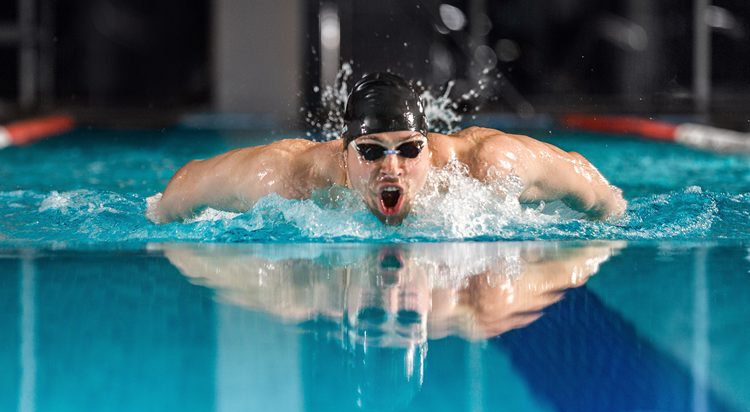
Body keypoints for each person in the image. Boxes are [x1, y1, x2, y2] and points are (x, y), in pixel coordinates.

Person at [149, 72, 626, 225]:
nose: (391, 168)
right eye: (371, 152)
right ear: (343, 153)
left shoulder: (487, 167)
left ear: (430, 147)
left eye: (408, 150)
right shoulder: (289, 176)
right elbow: (183, 187)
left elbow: (598, 191)